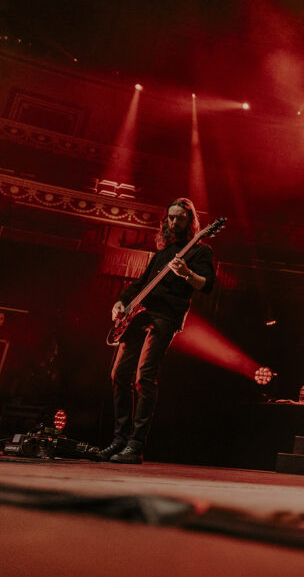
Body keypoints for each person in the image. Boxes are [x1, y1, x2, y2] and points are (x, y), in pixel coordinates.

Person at [99, 198, 216, 464]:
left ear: (190, 222)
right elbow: (141, 284)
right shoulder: (162, 253)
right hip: (139, 315)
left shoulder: (199, 252)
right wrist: (121, 302)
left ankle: (135, 445)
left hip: (165, 317)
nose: (174, 222)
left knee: (144, 377)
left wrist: (187, 273)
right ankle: (119, 439)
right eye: (170, 218)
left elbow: (206, 285)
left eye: (180, 218)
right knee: (118, 373)